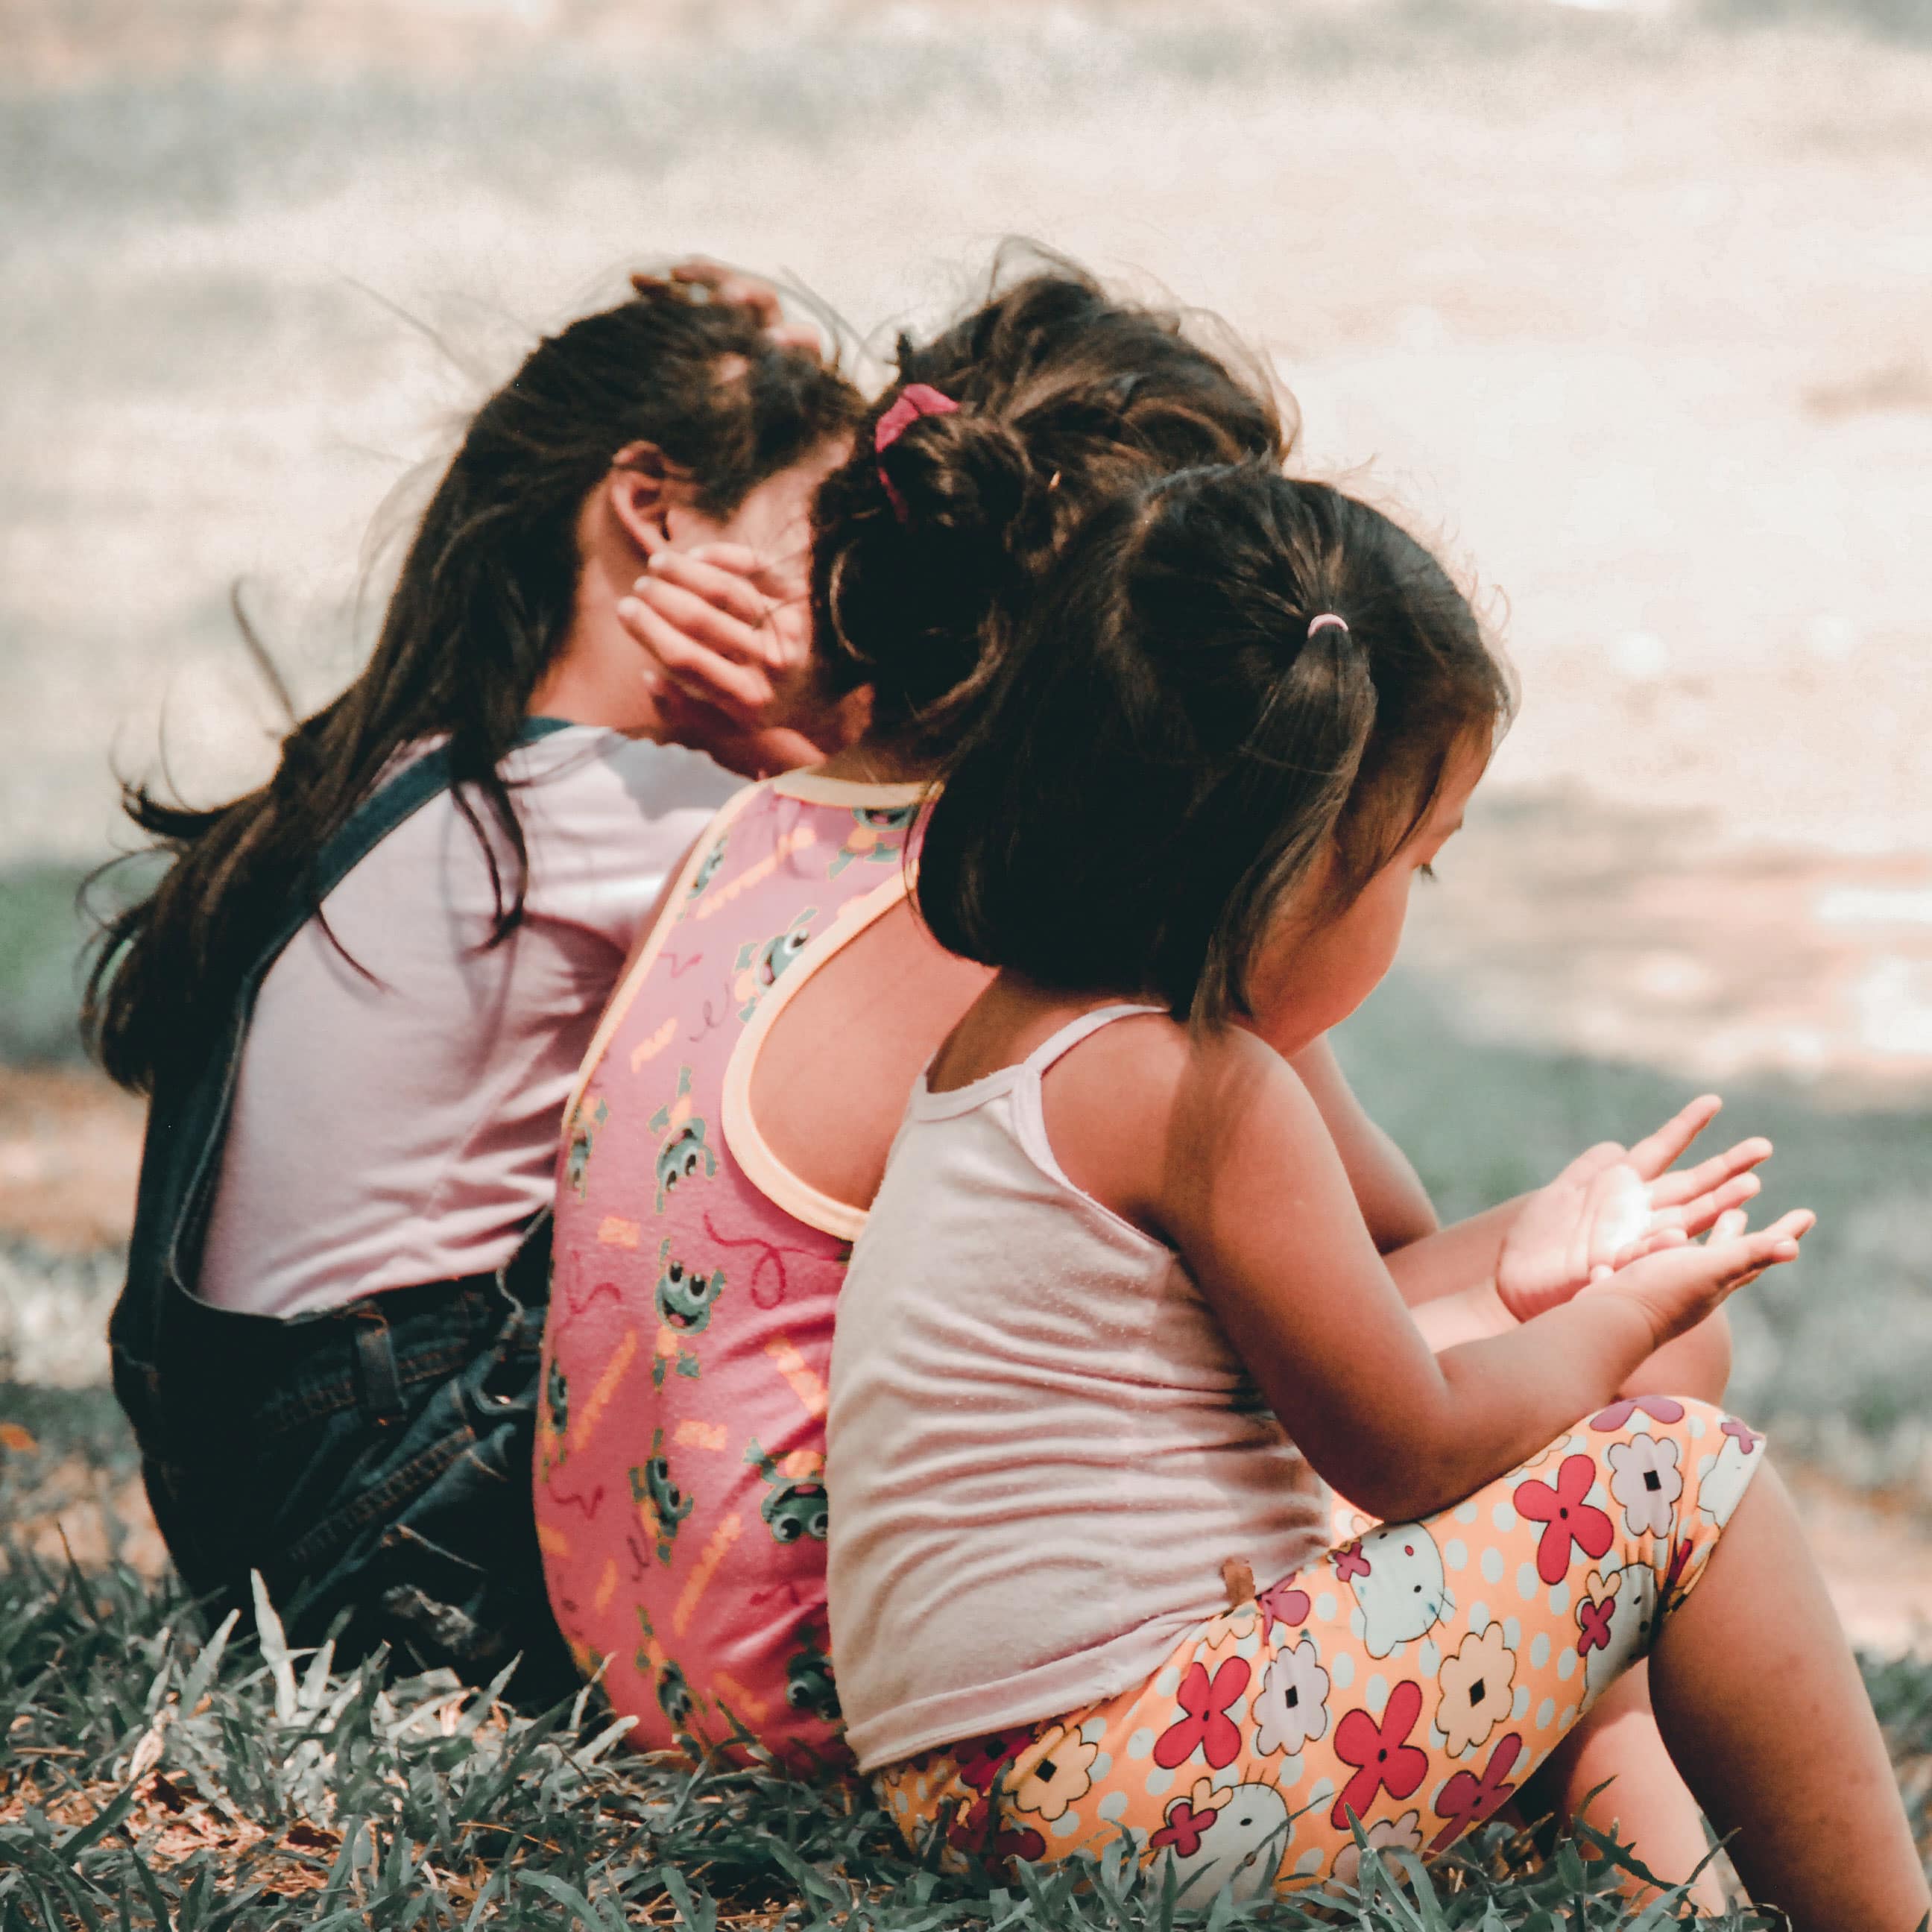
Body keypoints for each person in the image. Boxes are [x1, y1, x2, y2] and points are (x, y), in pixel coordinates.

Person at [537, 258, 1749, 1905]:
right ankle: (1652, 1841)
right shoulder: (1074, 951)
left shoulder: (769, 827)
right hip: (872, 1694)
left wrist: (1550, 1241)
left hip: (671, 1639)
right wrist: (1591, 1294)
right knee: (1656, 1363)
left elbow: (1354, 1255)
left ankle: (1638, 1833)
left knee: (1597, 1342)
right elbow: (1383, 1302)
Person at [824, 463, 1930, 1932]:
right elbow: (1407, 1449)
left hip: (988, 1784)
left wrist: (1538, 1267)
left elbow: (1313, 1322)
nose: (1416, 897)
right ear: (1287, 864)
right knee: (1682, 1478)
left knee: (1629, 1415)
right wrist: (1618, 1322)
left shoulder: (1027, 1039)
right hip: (1126, 1789)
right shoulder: (1203, 1091)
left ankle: (1675, 1898)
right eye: (1417, 860)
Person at [86, 266, 863, 1700]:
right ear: (654, 508)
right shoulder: (621, 808)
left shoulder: (411, 765)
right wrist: (802, 743)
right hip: (401, 1541)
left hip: (271, 1517)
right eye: (814, 537)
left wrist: (756, 363)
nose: (834, 600)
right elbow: (946, 951)